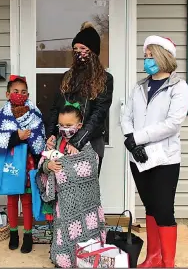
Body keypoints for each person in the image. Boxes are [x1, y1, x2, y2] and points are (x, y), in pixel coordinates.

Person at [120, 35, 188, 268]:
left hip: (165, 159)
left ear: (163, 56)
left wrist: (137, 138)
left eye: (151, 56)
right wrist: (130, 140)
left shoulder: (179, 87)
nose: (146, 60)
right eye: (145, 56)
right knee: (150, 206)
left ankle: (168, 262)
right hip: (138, 158)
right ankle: (153, 257)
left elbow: (172, 123)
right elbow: (126, 114)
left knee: (164, 209)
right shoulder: (139, 87)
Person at [38, 102, 106, 268]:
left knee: (86, 229)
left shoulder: (84, 143)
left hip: (84, 200)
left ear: (79, 125)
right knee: (65, 230)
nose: (64, 128)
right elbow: (43, 164)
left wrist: (65, 166)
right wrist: (49, 166)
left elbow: (90, 165)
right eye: (61, 125)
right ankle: (65, 258)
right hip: (64, 200)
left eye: (69, 125)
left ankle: (87, 258)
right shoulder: (55, 142)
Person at [0, 75, 45, 254]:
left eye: (23, 92)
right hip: (8, 163)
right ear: (7, 93)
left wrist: (29, 138)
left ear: (28, 94)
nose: (20, 94)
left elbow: (39, 140)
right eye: (15, 91)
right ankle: (13, 234)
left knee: (26, 200)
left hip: (27, 163)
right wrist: (16, 137)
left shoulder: (35, 114)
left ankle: (27, 235)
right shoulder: (0, 115)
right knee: (11, 200)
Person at [46, 22, 113, 176]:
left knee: (87, 189)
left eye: (83, 49)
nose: (78, 53)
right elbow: (55, 108)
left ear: (93, 52)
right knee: (64, 185)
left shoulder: (104, 79)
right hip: (63, 139)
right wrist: (50, 134)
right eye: (75, 49)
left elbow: (99, 113)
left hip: (90, 141)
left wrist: (76, 142)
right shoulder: (67, 77)